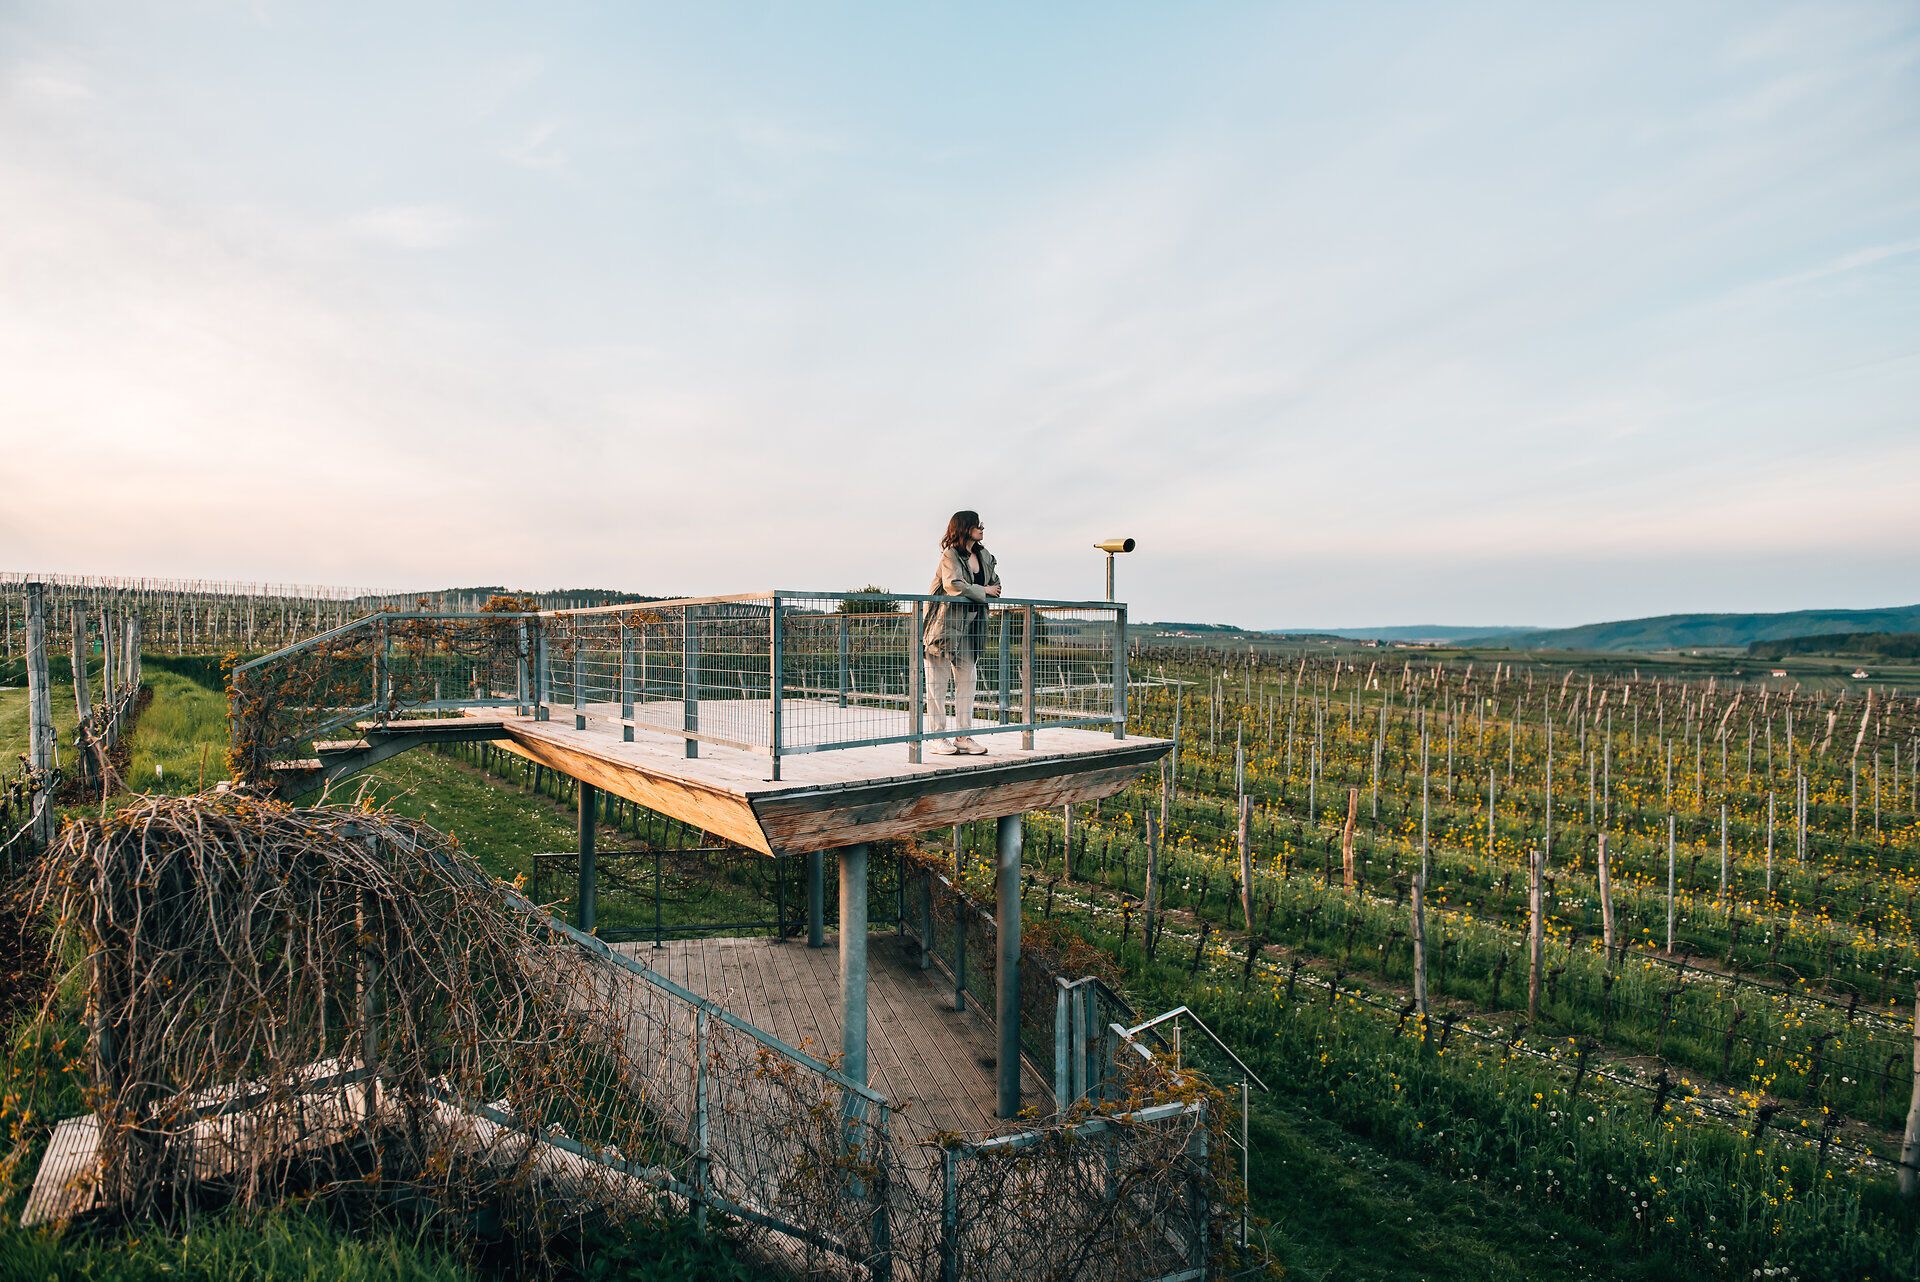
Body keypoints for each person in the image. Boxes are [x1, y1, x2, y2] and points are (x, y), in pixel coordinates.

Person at [923, 510, 1001, 755]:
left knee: (967, 681)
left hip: (970, 627)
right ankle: (937, 737)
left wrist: (985, 590)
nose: (982, 529)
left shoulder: (984, 556)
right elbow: (953, 585)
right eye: (978, 525)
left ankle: (964, 736)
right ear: (965, 528)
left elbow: (996, 585)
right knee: (937, 683)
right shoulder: (950, 555)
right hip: (943, 626)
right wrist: (983, 590)